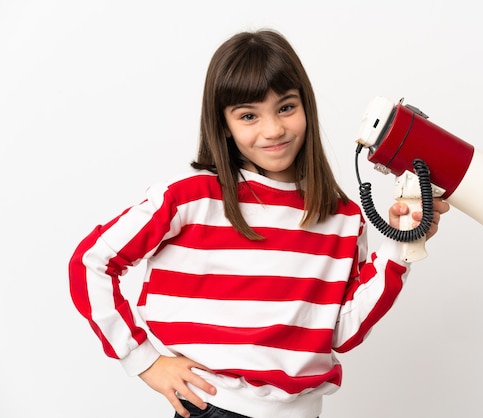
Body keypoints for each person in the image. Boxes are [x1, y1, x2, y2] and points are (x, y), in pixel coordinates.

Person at [68, 29, 450, 418]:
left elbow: (341, 332)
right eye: (249, 115)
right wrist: (144, 361)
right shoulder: (190, 198)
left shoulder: (342, 219)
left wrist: (400, 246)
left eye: (286, 107)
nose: (273, 130)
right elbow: (92, 261)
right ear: (224, 125)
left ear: (306, 107)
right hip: (213, 407)